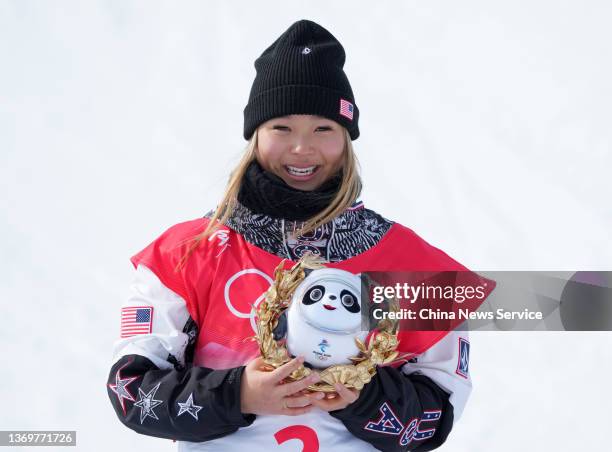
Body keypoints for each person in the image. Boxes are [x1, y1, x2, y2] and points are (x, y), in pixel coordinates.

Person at [107, 19, 484, 451]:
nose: (302, 148)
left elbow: (434, 418)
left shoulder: (409, 264)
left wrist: (363, 397)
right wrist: (239, 394)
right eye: (281, 128)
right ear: (255, 135)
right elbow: (132, 389)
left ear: (346, 139)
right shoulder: (188, 253)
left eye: (323, 129)